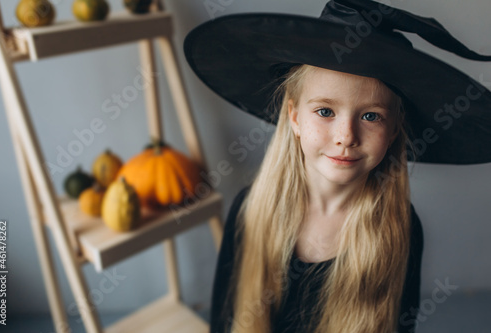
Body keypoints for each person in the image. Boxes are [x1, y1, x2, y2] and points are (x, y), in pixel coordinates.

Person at [183, 0, 491, 332]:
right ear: (295, 116)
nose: (346, 137)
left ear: (394, 129)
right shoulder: (250, 209)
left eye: (371, 116)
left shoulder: (400, 227)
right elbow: (223, 321)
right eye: (326, 111)